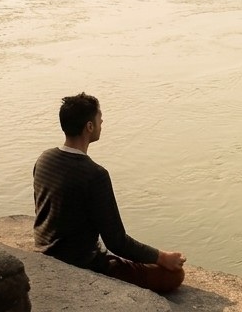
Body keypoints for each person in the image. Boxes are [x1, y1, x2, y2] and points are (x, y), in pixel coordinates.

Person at [32, 93, 187, 293]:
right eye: (99, 119)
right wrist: (162, 257)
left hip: (46, 250)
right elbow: (117, 242)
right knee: (174, 275)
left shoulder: (45, 159)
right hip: (81, 261)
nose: (102, 122)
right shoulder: (95, 174)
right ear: (89, 127)